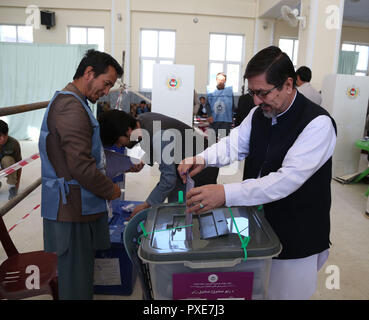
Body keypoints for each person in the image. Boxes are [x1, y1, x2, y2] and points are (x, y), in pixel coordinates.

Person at [178, 46, 337, 300]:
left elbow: (285, 181)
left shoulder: (317, 124)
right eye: (252, 92)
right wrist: (203, 158)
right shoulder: (259, 114)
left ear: (287, 84)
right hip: (260, 225)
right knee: (256, 289)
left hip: (298, 232)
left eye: (262, 93)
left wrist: (225, 193)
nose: (255, 100)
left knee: (285, 294)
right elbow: (234, 144)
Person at [38, 49, 123, 300]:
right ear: (88, 73)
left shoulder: (78, 103)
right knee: (75, 280)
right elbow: (81, 166)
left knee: (81, 272)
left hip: (77, 204)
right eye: (106, 83)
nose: (106, 91)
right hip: (71, 209)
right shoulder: (70, 107)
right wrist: (112, 190)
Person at [98, 110, 219, 218]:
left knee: (195, 210)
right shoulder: (142, 120)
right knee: (176, 205)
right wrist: (144, 161)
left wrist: (146, 204)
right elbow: (156, 146)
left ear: (128, 131)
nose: (119, 146)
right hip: (183, 164)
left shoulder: (158, 135)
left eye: (117, 141)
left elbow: (168, 179)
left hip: (202, 167)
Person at [207, 72, 235, 139]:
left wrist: (232, 116)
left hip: (226, 121)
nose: (220, 81)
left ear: (225, 81)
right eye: (219, 79)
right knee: (212, 141)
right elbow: (207, 105)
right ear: (216, 80)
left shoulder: (229, 91)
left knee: (223, 142)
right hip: (214, 120)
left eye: (222, 80)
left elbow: (233, 105)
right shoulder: (211, 91)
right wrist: (209, 115)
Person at [0, 120, 22, 200]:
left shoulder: (14, 143)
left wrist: (16, 185)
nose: (3, 139)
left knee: (8, 160)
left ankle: (12, 188)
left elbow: (19, 165)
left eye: (5, 135)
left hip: (7, 167)